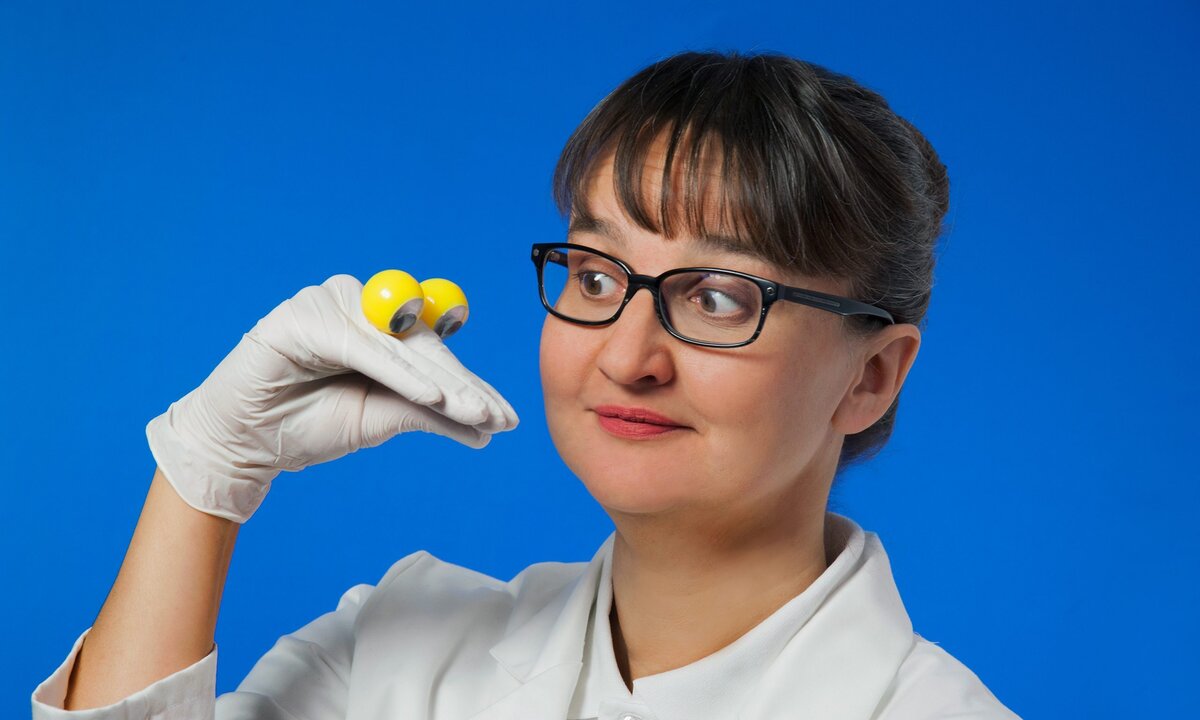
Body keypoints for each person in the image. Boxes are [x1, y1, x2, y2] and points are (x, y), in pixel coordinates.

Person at [31, 49, 1021, 719]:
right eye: (595, 276)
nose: (628, 356)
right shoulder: (400, 648)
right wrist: (206, 472)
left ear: (871, 376)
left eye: (718, 297)